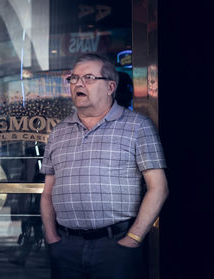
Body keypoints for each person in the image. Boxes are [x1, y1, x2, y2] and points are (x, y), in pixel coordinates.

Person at [40, 53, 168, 279]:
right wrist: (52, 238)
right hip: (66, 248)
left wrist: (133, 239)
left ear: (110, 87)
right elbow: (48, 192)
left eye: (88, 78)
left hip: (116, 247)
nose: (78, 83)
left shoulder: (137, 127)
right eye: (74, 78)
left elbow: (158, 188)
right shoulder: (59, 132)